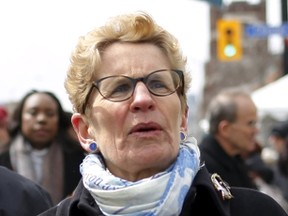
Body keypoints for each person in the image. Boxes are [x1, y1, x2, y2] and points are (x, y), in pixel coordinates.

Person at [39, 11, 287, 215]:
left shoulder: (256, 211)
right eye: (119, 87)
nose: (144, 99)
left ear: (183, 117)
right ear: (85, 129)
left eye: (158, 84)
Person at [0, 90, 85, 204]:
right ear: (20, 118)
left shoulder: (79, 160)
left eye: (50, 114)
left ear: (59, 120)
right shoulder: (3, 158)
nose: (41, 119)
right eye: (33, 113)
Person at [199, 88, 259, 189]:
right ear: (225, 129)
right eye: (250, 123)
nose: (256, 131)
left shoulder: (235, 159)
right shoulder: (204, 170)